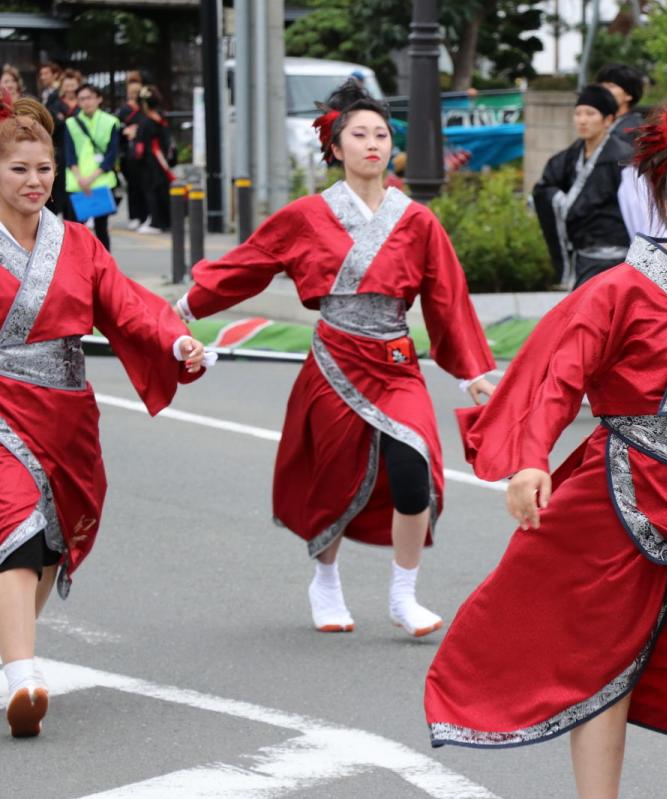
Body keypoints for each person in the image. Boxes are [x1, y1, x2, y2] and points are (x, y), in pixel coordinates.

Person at [426, 87, 667, 799]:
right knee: (604, 658)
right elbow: (555, 378)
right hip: (625, 488)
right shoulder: (617, 290)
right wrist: (531, 459)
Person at [177, 81, 496, 636]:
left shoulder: (416, 220)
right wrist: (181, 309)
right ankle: (326, 581)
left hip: (395, 362)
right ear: (336, 146)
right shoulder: (306, 215)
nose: (373, 143)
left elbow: (447, 296)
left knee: (413, 470)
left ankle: (403, 595)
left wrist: (472, 371)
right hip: (335, 359)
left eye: (381, 134)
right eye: (360, 134)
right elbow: (248, 265)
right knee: (332, 476)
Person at [0, 95, 209, 738]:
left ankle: (14, 651)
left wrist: (175, 341)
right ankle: (23, 673)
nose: (35, 182)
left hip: (67, 412)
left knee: (54, 543)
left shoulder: (79, 243)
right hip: (2, 405)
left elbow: (127, 306)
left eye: (43, 169)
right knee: (19, 531)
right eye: (17, 169)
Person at [532, 85, 632, 289]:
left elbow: (637, 204)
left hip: (620, 257)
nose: (582, 120)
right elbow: (544, 188)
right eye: (578, 113)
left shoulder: (624, 158)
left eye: (590, 113)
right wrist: (561, 201)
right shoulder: (569, 157)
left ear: (608, 120)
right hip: (583, 255)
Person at [64, 83, 120, 250]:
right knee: (75, 229)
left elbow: (111, 155)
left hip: (100, 181)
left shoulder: (110, 122)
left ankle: (105, 267)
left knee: (102, 228)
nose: (86, 102)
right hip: (77, 181)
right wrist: (81, 178)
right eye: (81, 99)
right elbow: (69, 155)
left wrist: (90, 178)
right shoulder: (71, 123)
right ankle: (77, 266)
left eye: (89, 97)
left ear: (98, 99)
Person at [134, 85, 173, 234]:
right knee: (161, 191)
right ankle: (164, 221)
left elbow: (140, 146)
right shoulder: (161, 118)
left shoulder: (146, 122)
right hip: (161, 161)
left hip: (150, 162)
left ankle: (156, 223)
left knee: (152, 191)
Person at [46, 68, 80, 222]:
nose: (70, 88)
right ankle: (59, 212)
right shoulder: (55, 104)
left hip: (80, 149)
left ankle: (79, 212)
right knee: (60, 182)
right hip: (60, 148)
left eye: (73, 85)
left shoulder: (82, 104)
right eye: (67, 85)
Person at [116, 71, 147, 231]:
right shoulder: (124, 110)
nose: (135, 95)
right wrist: (126, 131)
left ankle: (145, 216)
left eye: (137, 92)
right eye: (132, 92)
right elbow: (118, 130)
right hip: (129, 153)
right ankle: (134, 216)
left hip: (144, 152)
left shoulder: (145, 108)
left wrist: (139, 129)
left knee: (144, 185)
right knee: (133, 186)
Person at [596, 63, 646, 144]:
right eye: (601, 86)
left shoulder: (635, 129)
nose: (603, 90)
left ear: (629, 94)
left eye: (610, 86)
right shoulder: (598, 124)